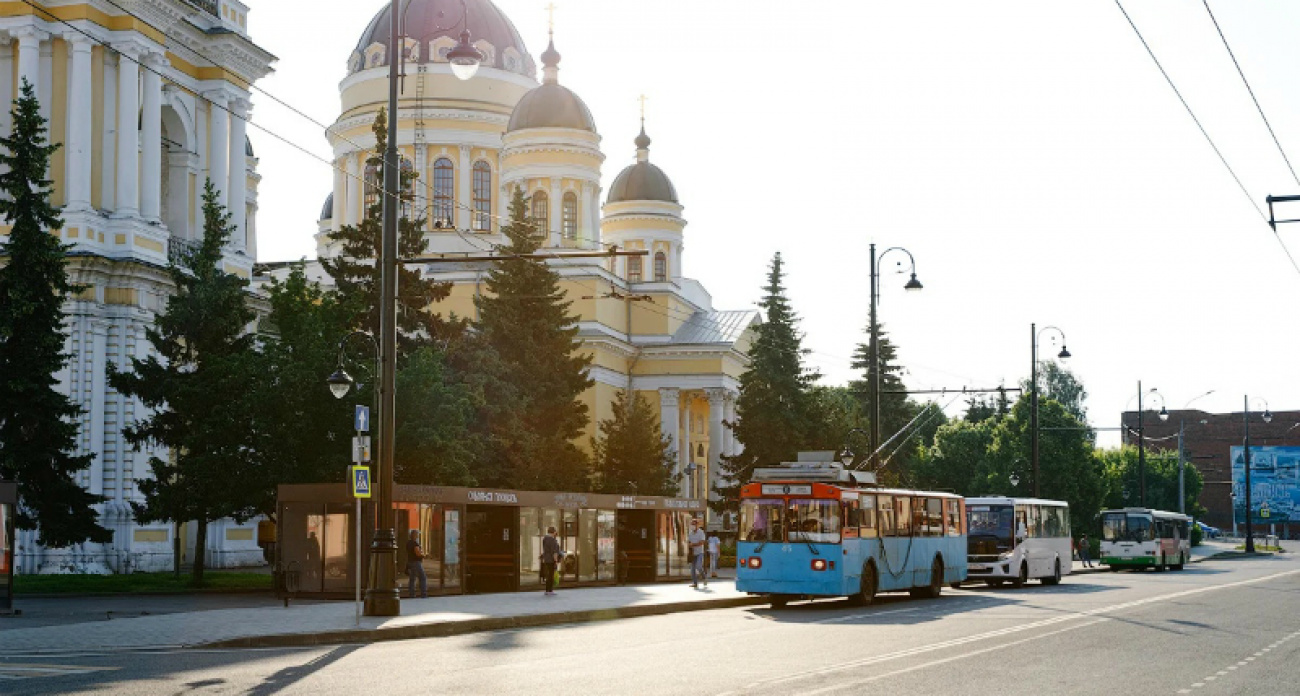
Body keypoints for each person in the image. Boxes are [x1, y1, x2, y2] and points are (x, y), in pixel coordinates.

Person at [406, 529, 428, 598]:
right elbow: (417, 553)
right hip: (416, 562)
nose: (418, 535)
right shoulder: (415, 543)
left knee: (412, 578)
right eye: (417, 534)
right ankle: (423, 594)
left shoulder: (408, 543)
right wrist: (424, 555)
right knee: (422, 577)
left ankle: (412, 594)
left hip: (410, 562)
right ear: (414, 535)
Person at [541, 526, 561, 596]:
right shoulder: (552, 540)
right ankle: (550, 590)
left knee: (548, 574)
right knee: (551, 575)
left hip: (546, 559)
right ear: (554, 532)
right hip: (551, 560)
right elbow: (554, 552)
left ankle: (547, 590)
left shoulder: (545, 539)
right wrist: (556, 560)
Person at [688, 518, 707, 588]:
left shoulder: (701, 532)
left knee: (698, 566)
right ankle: (695, 583)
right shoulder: (690, 533)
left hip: (699, 553)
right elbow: (689, 542)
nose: (692, 526)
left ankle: (704, 577)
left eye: (694, 524)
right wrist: (689, 545)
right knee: (692, 569)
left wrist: (693, 544)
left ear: (697, 525)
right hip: (693, 553)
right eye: (691, 524)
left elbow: (702, 542)